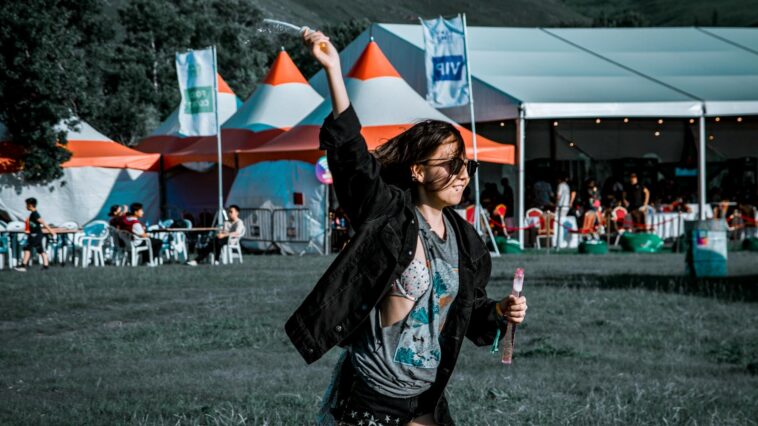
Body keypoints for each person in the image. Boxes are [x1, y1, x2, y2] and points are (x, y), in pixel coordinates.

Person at [285, 30, 528, 426]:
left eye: (465, 165)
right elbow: (352, 158)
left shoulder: (466, 242)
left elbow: (468, 309)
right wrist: (333, 71)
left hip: (425, 396)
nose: (461, 174)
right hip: (372, 393)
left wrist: (500, 310)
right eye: (450, 164)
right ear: (417, 171)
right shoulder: (389, 216)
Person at [14, 198, 56, 272]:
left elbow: (43, 222)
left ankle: (23, 266)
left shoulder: (35, 214)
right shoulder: (32, 214)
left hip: (35, 235)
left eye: (26, 205)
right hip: (36, 234)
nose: (25, 206)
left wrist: (51, 231)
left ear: (30, 205)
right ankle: (46, 266)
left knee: (27, 248)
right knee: (41, 250)